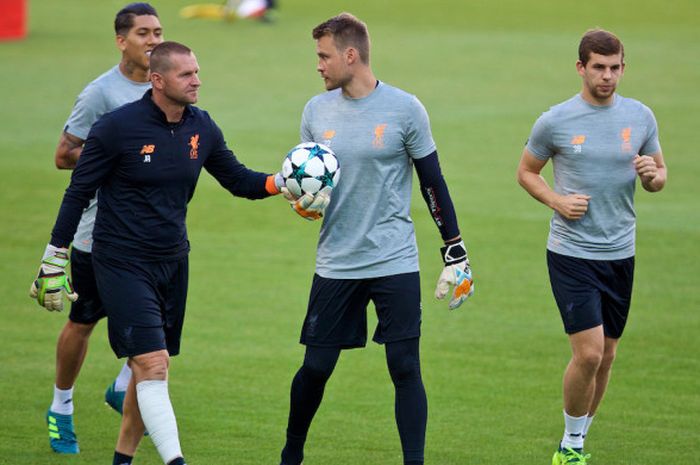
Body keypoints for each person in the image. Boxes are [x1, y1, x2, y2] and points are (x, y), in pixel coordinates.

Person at [30, 41, 293, 465]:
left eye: (197, 72)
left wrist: (283, 182)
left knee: (148, 370)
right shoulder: (117, 128)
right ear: (157, 81)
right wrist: (54, 256)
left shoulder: (201, 126)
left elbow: (239, 180)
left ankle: (123, 459)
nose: (197, 81)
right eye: (186, 74)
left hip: (173, 263)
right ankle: (176, 461)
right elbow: (78, 191)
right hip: (120, 262)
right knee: (152, 364)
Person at [277, 13, 474, 465]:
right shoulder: (315, 111)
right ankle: (291, 454)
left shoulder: (405, 109)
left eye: (324, 56)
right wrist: (304, 204)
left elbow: (432, 183)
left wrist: (455, 250)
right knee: (316, 369)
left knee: (405, 366)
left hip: (394, 259)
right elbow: (313, 188)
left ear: (351, 55)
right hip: (337, 262)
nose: (319, 66)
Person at [516, 29, 667, 465]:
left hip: (621, 252)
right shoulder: (556, 121)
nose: (607, 76)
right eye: (598, 67)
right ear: (581, 67)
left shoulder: (640, 117)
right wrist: (556, 200)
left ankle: (580, 434)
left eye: (615, 67)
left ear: (623, 67)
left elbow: (660, 176)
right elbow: (527, 172)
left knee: (608, 356)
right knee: (589, 352)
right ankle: (571, 446)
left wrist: (651, 176)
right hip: (571, 253)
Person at [42, 2, 163, 454]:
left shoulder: (167, 85)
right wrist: (116, 154)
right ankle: (61, 406)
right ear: (121, 41)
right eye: (143, 33)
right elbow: (63, 155)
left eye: (157, 32)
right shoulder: (102, 94)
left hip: (153, 233)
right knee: (84, 321)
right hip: (101, 234)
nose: (152, 40)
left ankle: (122, 386)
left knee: (156, 327)